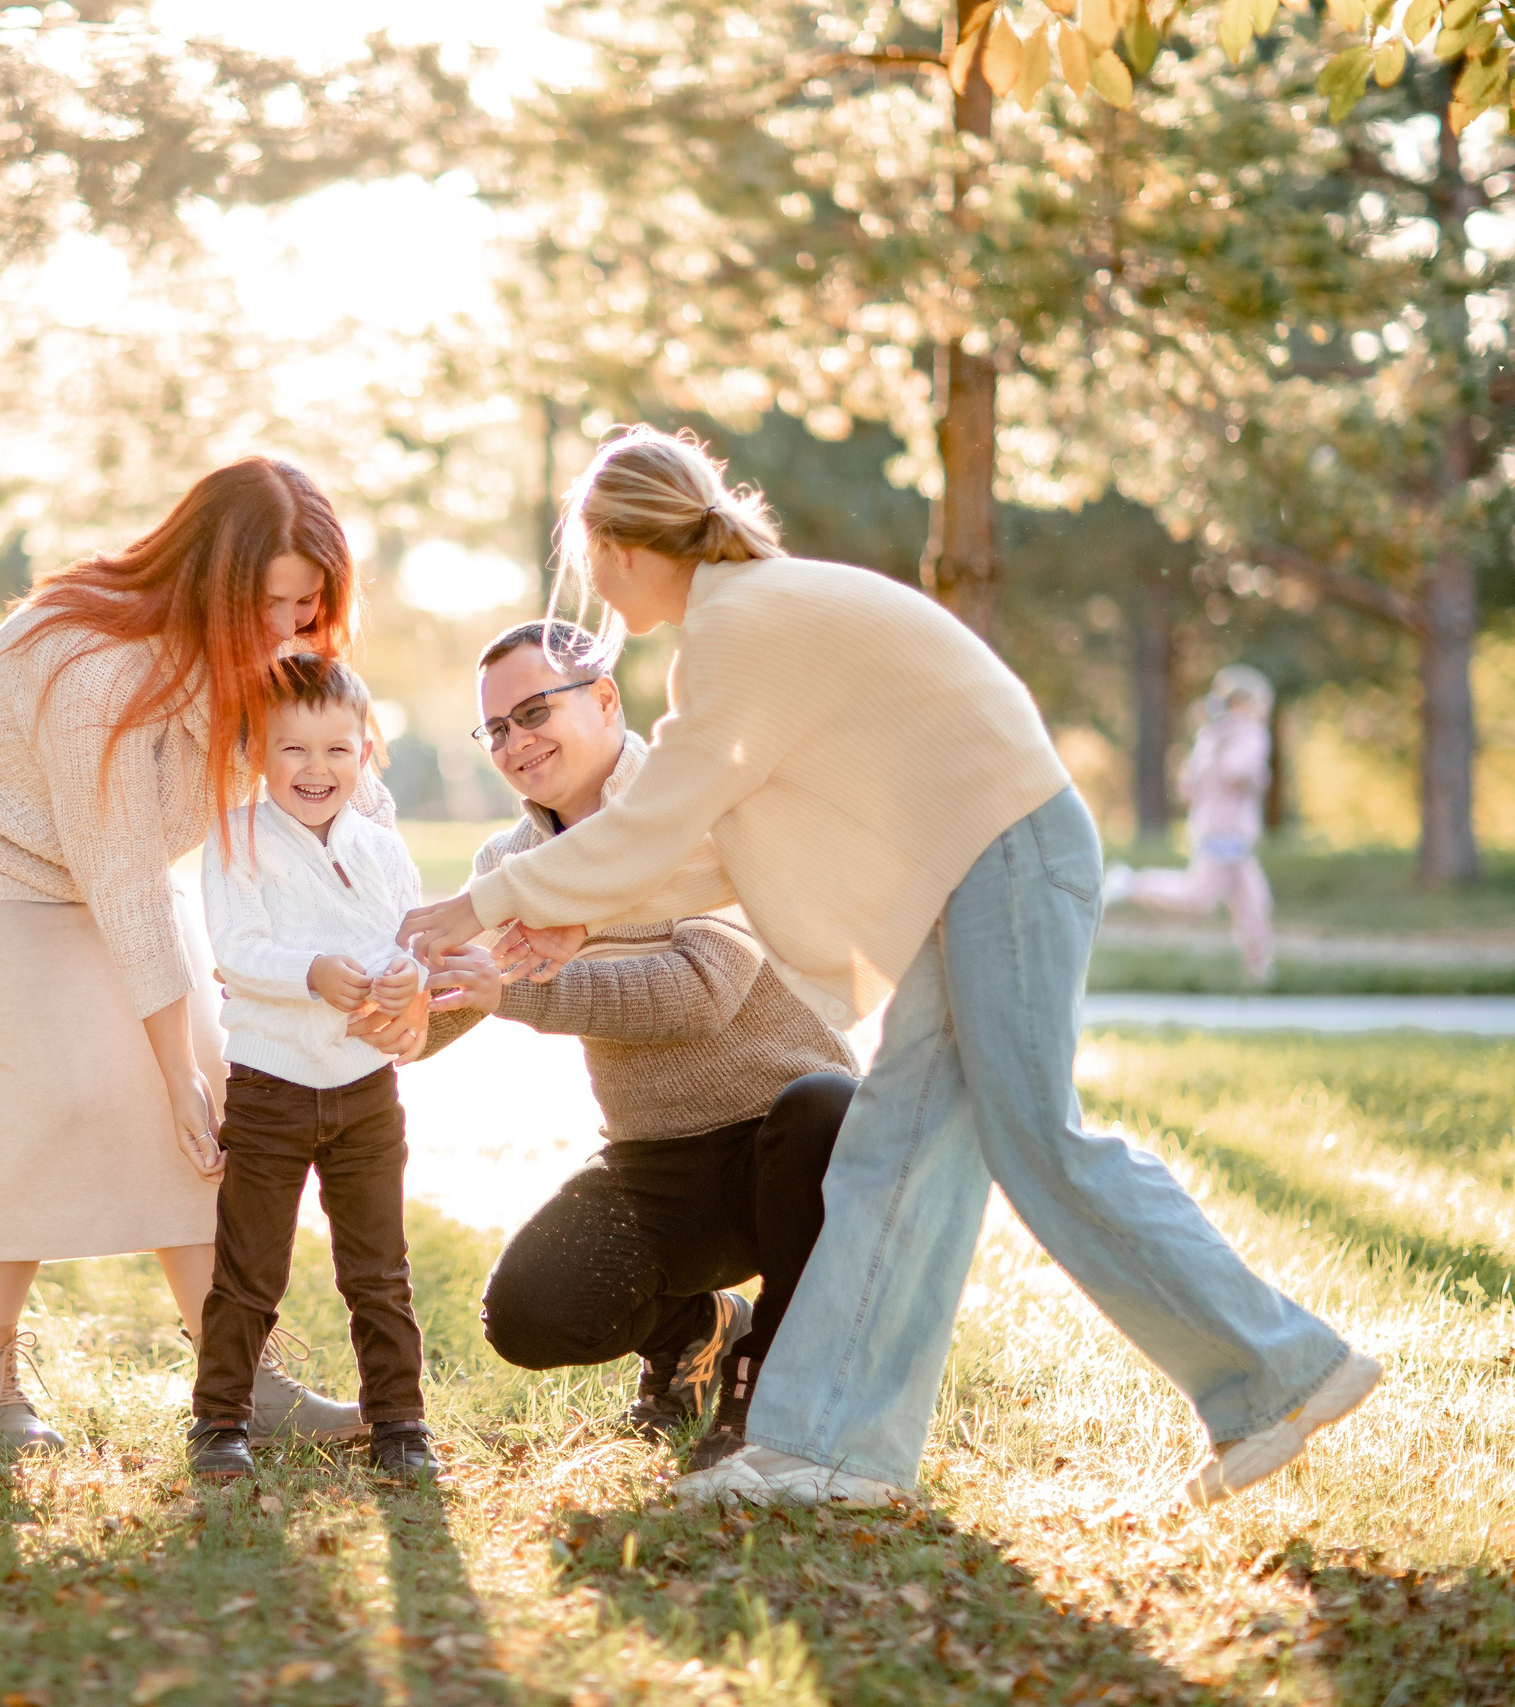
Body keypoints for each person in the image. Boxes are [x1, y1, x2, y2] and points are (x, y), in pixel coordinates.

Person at [399, 425, 1378, 1509]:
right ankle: (836, 1450)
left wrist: (479, 905)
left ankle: (1278, 1374)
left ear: (623, 548)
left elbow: (659, 817)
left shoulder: (739, 628)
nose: (597, 596)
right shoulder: (756, 612)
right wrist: (571, 915)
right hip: (978, 871)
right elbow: (724, 849)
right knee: (896, 1158)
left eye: (591, 566)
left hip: (1004, 854)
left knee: (1037, 1142)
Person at [0, 457, 370, 1452]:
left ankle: (239, 1378)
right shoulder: (92, 663)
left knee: (219, 1084)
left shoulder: (269, 658)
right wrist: (168, 1069)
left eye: (306, 605)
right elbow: (126, 877)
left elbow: (346, 793)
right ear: (213, 581)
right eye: (268, 603)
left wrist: (409, 940)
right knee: (66, 1092)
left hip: (90, 864)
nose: (286, 627)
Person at [419, 619, 858, 1472]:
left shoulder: (705, 808)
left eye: (534, 711)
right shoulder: (510, 864)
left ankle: (765, 1391)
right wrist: (371, 1003)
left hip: (791, 1142)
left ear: (605, 698)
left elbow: (699, 994)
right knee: (530, 1312)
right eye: (497, 728)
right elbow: (444, 1007)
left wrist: (510, 990)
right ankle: (699, 1329)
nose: (516, 741)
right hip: (658, 1157)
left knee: (825, 1106)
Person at [188, 656, 435, 1482]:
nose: (317, 768)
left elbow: (411, 941)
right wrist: (313, 972)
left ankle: (399, 1421)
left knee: (379, 1268)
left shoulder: (381, 847)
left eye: (337, 749)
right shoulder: (237, 838)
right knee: (250, 1268)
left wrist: (408, 978)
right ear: (257, 751)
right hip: (271, 1086)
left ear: (364, 751)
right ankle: (220, 1419)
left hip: (366, 1088)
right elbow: (238, 950)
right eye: (294, 748)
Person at [1105, 666, 1278, 984]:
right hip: (1227, 833)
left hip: (1214, 829)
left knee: (1253, 901)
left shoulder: (1209, 735)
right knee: (1198, 897)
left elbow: (1187, 786)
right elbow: (1236, 772)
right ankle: (1132, 883)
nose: (1265, 711)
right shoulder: (1251, 733)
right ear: (1245, 703)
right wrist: (1259, 776)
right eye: (1263, 703)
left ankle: (1259, 973)